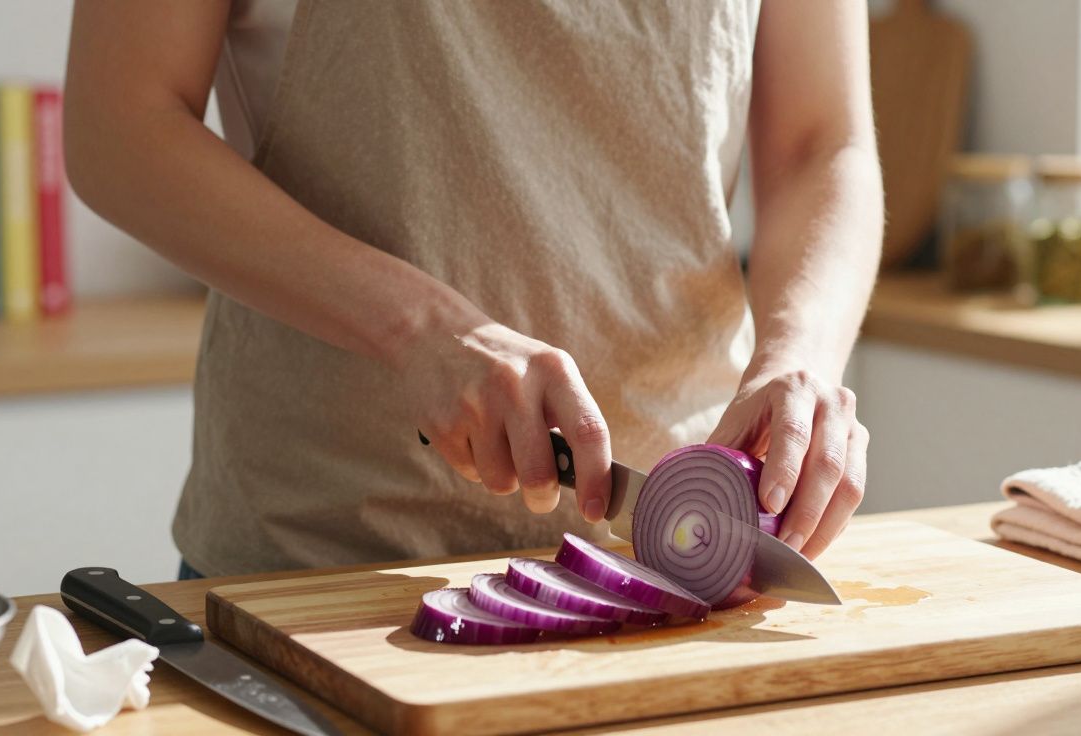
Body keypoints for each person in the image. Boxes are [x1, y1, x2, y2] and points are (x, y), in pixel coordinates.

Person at [64, 1, 882, 579]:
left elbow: (822, 142)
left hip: (670, 558)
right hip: (322, 562)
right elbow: (120, 125)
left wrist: (798, 354)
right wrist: (417, 324)